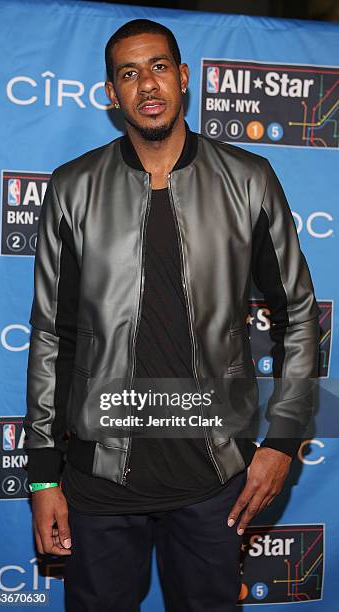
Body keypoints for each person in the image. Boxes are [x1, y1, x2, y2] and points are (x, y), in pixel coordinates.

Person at [24, 19, 319, 612]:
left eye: (158, 67)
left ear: (183, 78)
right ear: (111, 93)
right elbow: (52, 336)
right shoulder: (72, 188)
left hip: (213, 478)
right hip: (100, 480)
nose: (147, 85)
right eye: (128, 74)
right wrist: (41, 474)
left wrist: (283, 441)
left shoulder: (248, 180)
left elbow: (299, 314)